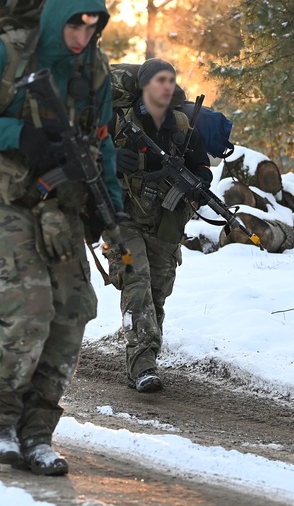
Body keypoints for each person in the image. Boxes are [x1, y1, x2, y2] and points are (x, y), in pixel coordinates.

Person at [0, 0, 122, 477]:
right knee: (29, 310)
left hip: (60, 202)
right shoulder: (6, 55)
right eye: (74, 26)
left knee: (72, 314)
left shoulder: (94, 73)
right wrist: (16, 134)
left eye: (92, 27)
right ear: (57, 16)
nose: (83, 37)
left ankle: (37, 434)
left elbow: (101, 142)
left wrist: (112, 209)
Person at [108, 59, 212, 393]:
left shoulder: (181, 124)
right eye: (158, 81)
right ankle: (142, 366)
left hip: (164, 223)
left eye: (170, 80)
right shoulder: (117, 120)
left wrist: (194, 184)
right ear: (143, 86)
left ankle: (145, 356)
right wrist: (109, 159)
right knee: (135, 281)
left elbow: (202, 169)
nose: (166, 87)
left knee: (156, 295)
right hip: (122, 221)